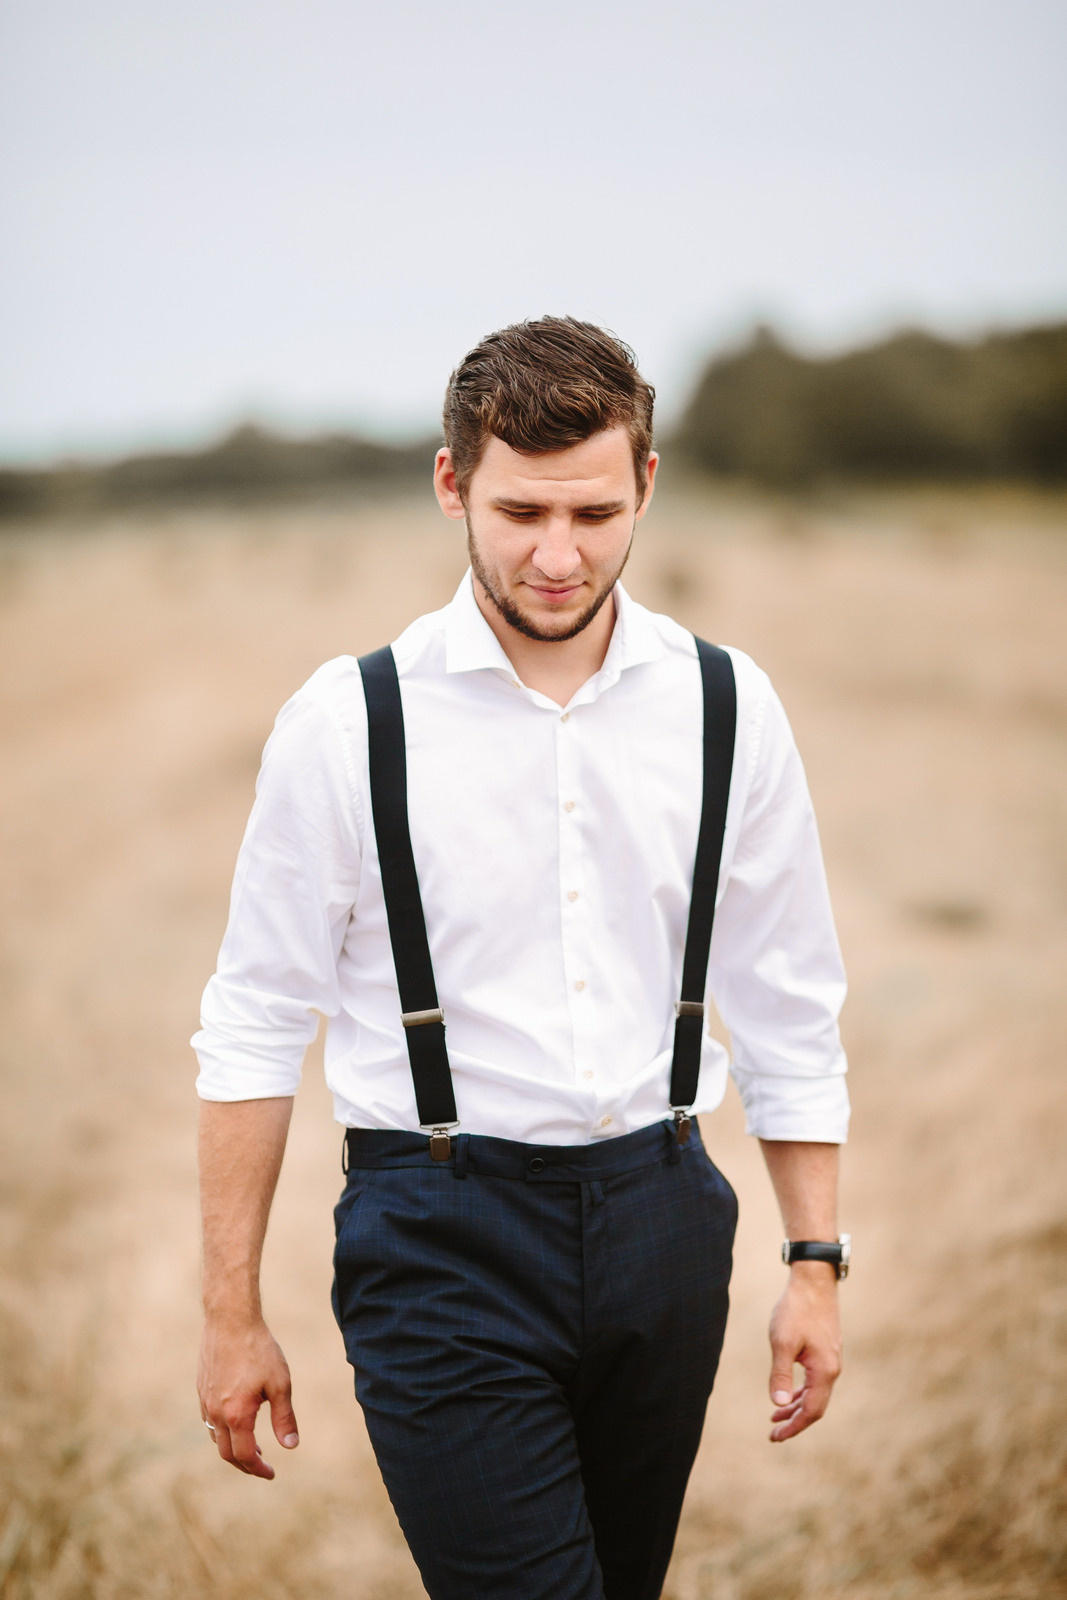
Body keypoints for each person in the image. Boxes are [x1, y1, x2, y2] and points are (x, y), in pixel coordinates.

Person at [194, 316, 850, 1600]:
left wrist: (813, 1266)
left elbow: (787, 1004)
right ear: (451, 485)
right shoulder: (346, 723)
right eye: (521, 511)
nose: (558, 555)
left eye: (595, 512)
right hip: (437, 1235)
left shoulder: (726, 706)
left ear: (646, 486)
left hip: (665, 1216)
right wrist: (230, 1313)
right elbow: (255, 1021)